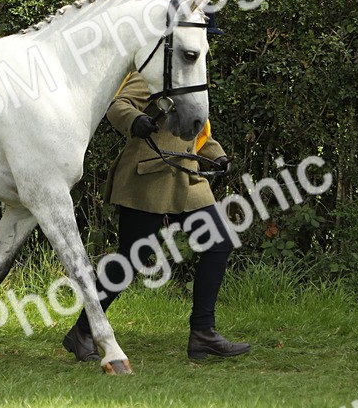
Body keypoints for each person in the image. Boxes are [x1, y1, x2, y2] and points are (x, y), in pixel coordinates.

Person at [62, 59, 251, 363]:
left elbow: (197, 128)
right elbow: (118, 105)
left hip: (187, 178)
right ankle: (82, 331)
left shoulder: (193, 77)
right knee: (130, 259)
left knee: (219, 242)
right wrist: (135, 120)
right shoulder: (152, 74)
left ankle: (203, 333)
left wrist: (217, 155)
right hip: (147, 178)